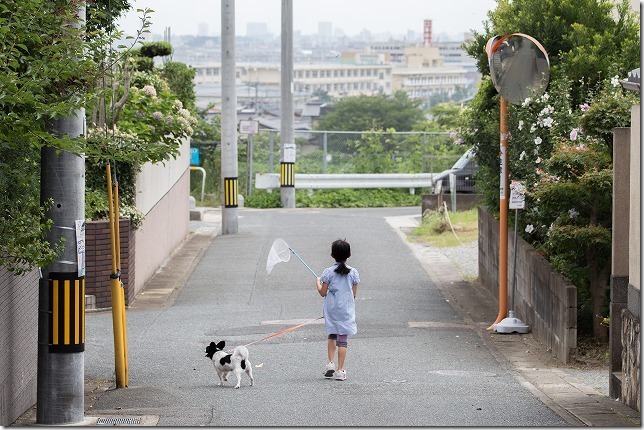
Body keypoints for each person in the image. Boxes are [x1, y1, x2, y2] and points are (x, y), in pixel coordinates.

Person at [315, 239, 359, 381]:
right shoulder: (353, 273)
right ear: (349, 254)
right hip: (346, 310)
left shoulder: (328, 272)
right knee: (343, 340)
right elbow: (353, 295)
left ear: (332, 254)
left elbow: (322, 292)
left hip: (331, 309)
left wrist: (318, 282)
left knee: (332, 334)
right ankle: (340, 370)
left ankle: (330, 363)